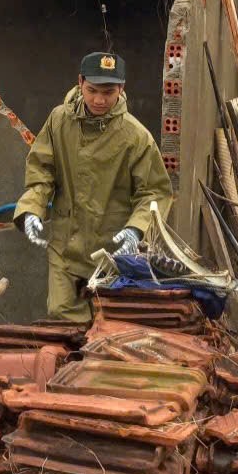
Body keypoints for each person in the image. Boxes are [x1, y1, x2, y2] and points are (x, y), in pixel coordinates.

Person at [14, 52, 173, 322]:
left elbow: (154, 192)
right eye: (92, 90)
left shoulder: (135, 137)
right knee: (60, 314)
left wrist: (137, 230)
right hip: (65, 245)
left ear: (121, 89)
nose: (99, 100)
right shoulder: (59, 121)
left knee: (107, 324)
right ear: (80, 83)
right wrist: (31, 208)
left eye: (108, 92)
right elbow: (42, 169)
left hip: (111, 250)